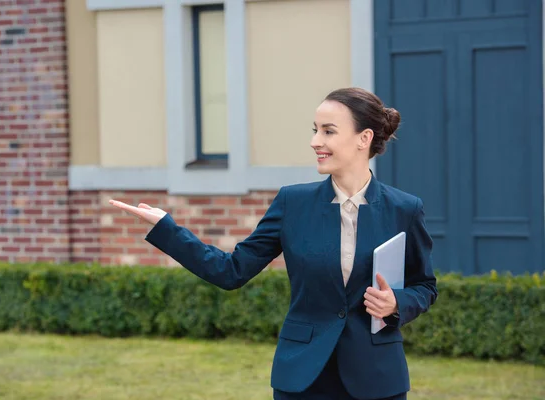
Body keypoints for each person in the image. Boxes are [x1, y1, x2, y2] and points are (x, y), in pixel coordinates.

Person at [109, 87, 438, 400]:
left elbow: (424, 285)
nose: (315, 142)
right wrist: (167, 229)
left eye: (328, 131)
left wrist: (397, 303)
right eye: (315, 130)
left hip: (377, 379)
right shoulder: (292, 204)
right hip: (303, 378)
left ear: (363, 139)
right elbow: (231, 271)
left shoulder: (404, 210)